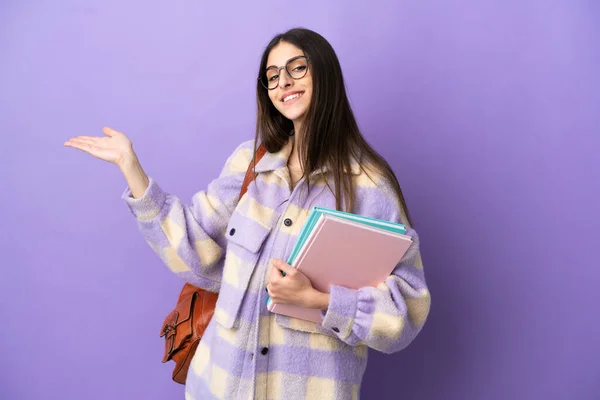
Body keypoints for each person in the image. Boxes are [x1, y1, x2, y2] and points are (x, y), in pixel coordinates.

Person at [64, 27, 431, 400]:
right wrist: (132, 169)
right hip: (220, 386)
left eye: (297, 68)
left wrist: (319, 300)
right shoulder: (249, 164)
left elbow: (405, 314)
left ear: (325, 73)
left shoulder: (368, 184)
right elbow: (193, 249)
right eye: (272, 76)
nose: (283, 82)